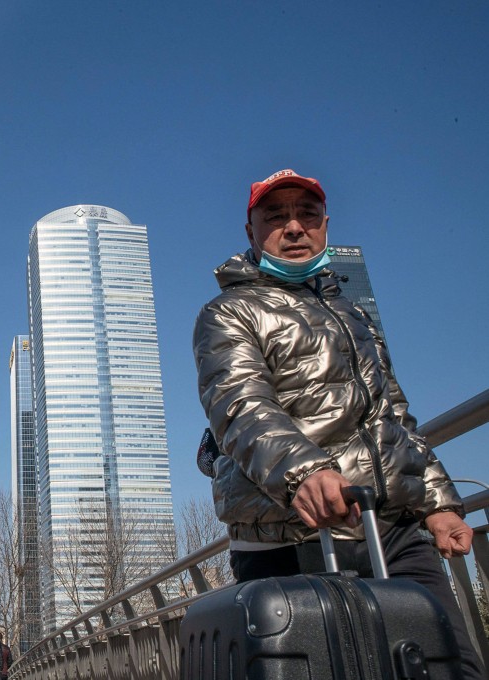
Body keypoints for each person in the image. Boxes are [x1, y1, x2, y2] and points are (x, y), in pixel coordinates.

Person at [192, 168, 484, 679]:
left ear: (326, 224)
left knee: (451, 664)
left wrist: (438, 503)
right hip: (291, 532)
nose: (294, 227)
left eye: (307, 214)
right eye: (275, 216)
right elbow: (240, 403)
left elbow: (394, 414)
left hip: (392, 526)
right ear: (251, 233)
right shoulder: (229, 312)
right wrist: (304, 472)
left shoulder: (353, 316)